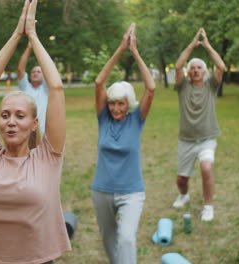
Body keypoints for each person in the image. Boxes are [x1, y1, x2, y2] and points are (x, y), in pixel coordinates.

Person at [0, 1, 70, 263]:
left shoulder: (46, 157)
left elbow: (56, 89)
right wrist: (15, 35)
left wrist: (32, 36)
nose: (10, 121)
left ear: (34, 123)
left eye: (20, 116)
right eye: (5, 115)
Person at [91, 23, 156, 264]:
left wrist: (135, 52)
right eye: (112, 103)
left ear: (128, 103)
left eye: (121, 103)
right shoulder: (103, 119)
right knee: (109, 241)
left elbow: (151, 88)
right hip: (101, 190)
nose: (116, 108)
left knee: (127, 239)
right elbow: (99, 83)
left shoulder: (136, 120)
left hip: (131, 192)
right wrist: (120, 48)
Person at [171, 28, 226, 222]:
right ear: (189, 71)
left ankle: (208, 206)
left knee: (206, 167)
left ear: (205, 72)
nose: (195, 70)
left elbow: (221, 66)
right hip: (186, 140)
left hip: (206, 139)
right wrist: (193, 45)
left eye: (199, 68)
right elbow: (177, 66)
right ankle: (184, 195)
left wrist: (208, 46)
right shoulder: (182, 85)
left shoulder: (211, 85)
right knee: (181, 180)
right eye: (192, 67)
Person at [17, 41, 48, 133]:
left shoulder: (46, 89)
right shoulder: (25, 87)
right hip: (26, 130)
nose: (35, 73)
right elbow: (20, 70)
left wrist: (38, 48)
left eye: (39, 72)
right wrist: (29, 48)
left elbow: (47, 68)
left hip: (42, 131)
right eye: (33, 72)